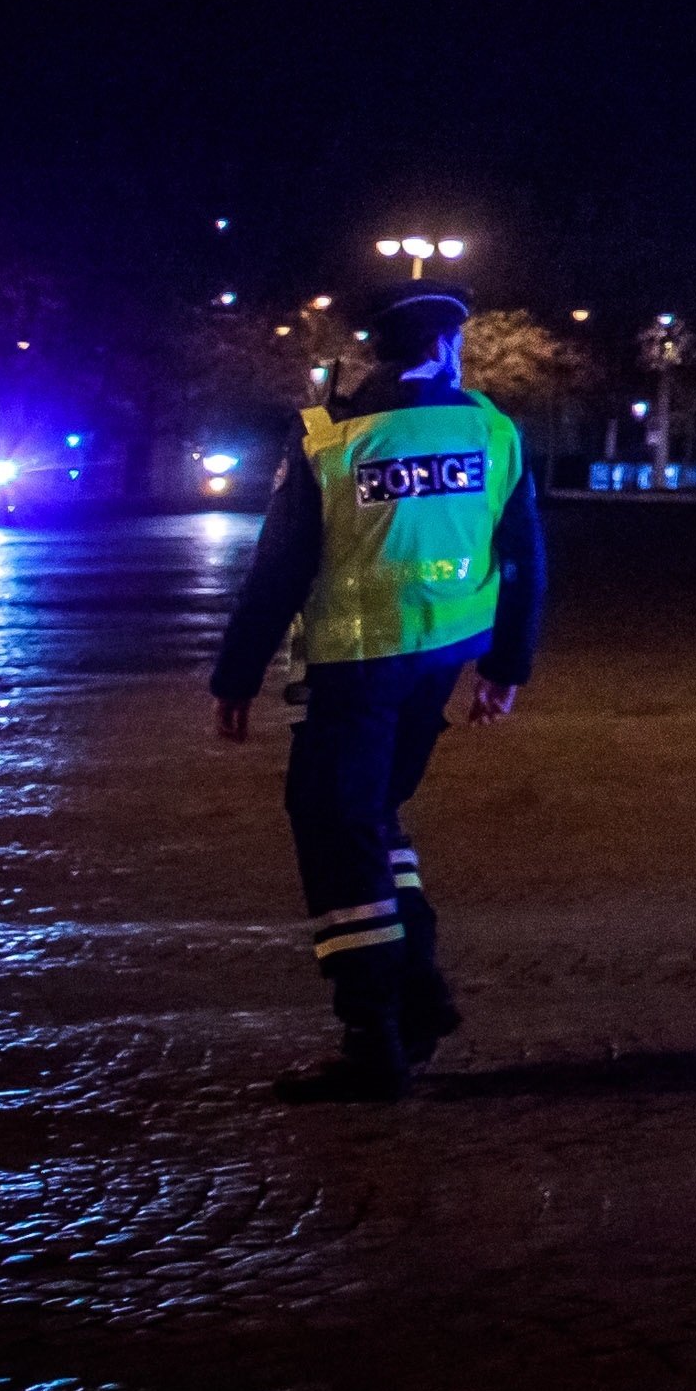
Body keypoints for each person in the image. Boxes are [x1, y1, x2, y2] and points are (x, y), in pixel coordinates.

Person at [206, 282, 543, 1101]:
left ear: (380, 350)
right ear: (446, 348)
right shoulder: (490, 428)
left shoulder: (333, 434)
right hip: (441, 661)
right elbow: (526, 556)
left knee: (332, 824)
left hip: (353, 667)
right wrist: (506, 666)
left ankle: (375, 1034)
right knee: (372, 816)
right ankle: (416, 987)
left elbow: (279, 566)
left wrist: (236, 673)